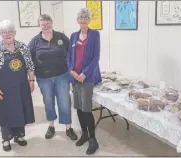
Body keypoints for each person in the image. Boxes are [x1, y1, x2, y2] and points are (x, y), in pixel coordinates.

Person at [0, 20, 35, 151]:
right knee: (5, 113)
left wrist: (31, 81)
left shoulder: (22, 47)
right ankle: (6, 139)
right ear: (0, 34)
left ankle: (19, 136)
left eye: (10, 31)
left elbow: (30, 66)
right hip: (3, 89)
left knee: (20, 111)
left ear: (14, 33)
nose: (7, 34)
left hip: (21, 87)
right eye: (4, 32)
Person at [28, 14, 77, 140]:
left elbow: (72, 53)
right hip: (44, 79)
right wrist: (31, 79)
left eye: (47, 22)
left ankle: (68, 127)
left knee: (64, 102)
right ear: (39, 25)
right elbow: (29, 61)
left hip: (62, 76)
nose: (45, 25)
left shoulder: (61, 37)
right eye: (43, 23)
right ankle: (51, 126)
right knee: (48, 102)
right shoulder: (35, 41)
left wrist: (72, 70)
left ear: (52, 23)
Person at [67, 8, 101, 155]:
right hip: (74, 78)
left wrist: (84, 73)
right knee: (79, 108)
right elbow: (68, 56)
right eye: (80, 17)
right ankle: (85, 134)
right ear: (77, 20)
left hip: (87, 78)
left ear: (89, 20)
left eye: (85, 17)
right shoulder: (74, 36)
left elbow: (95, 58)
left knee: (86, 109)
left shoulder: (94, 35)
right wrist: (71, 71)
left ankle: (93, 140)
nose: (83, 20)